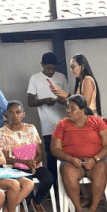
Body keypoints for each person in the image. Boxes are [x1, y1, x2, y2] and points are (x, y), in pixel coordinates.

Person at [50, 95, 107, 212]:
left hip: (95, 162)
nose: (68, 111)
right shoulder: (62, 125)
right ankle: (78, 209)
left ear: (82, 110)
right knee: (68, 171)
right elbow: (55, 149)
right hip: (72, 162)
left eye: (72, 108)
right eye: (67, 108)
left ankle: (93, 209)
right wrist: (70, 159)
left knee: (102, 168)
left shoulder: (97, 122)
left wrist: (95, 159)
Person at [0, 101, 55, 212]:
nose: (15, 115)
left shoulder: (31, 128)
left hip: (34, 164)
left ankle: (36, 202)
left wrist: (33, 164)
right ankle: (24, 205)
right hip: (14, 167)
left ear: (23, 114)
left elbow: (39, 153)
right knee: (26, 183)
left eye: (18, 112)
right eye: (11, 113)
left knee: (48, 179)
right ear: (7, 115)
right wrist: (25, 163)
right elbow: (4, 159)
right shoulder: (3, 132)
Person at [27, 52, 68, 192]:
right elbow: (30, 101)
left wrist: (58, 99)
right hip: (47, 126)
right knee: (51, 157)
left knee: (67, 155)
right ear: (42, 65)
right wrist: (45, 101)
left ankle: (67, 187)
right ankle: (54, 189)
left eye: (53, 69)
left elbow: (68, 100)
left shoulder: (61, 77)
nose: (51, 72)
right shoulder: (35, 78)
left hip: (63, 123)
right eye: (48, 68)